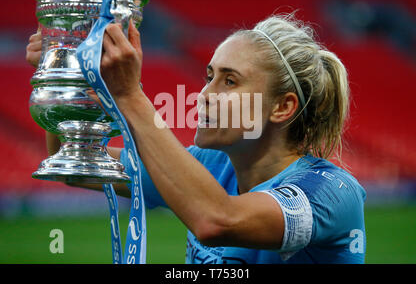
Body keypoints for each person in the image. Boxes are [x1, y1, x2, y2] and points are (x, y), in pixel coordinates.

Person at [26, 13, 366, 264]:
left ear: (282, 107)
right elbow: (73, 161)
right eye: (209, 76)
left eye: (229, 81)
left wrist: (130, 96)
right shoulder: (209, 165)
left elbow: (217, 220)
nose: (204, 93)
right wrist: (64, 78)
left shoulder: (331, 193)